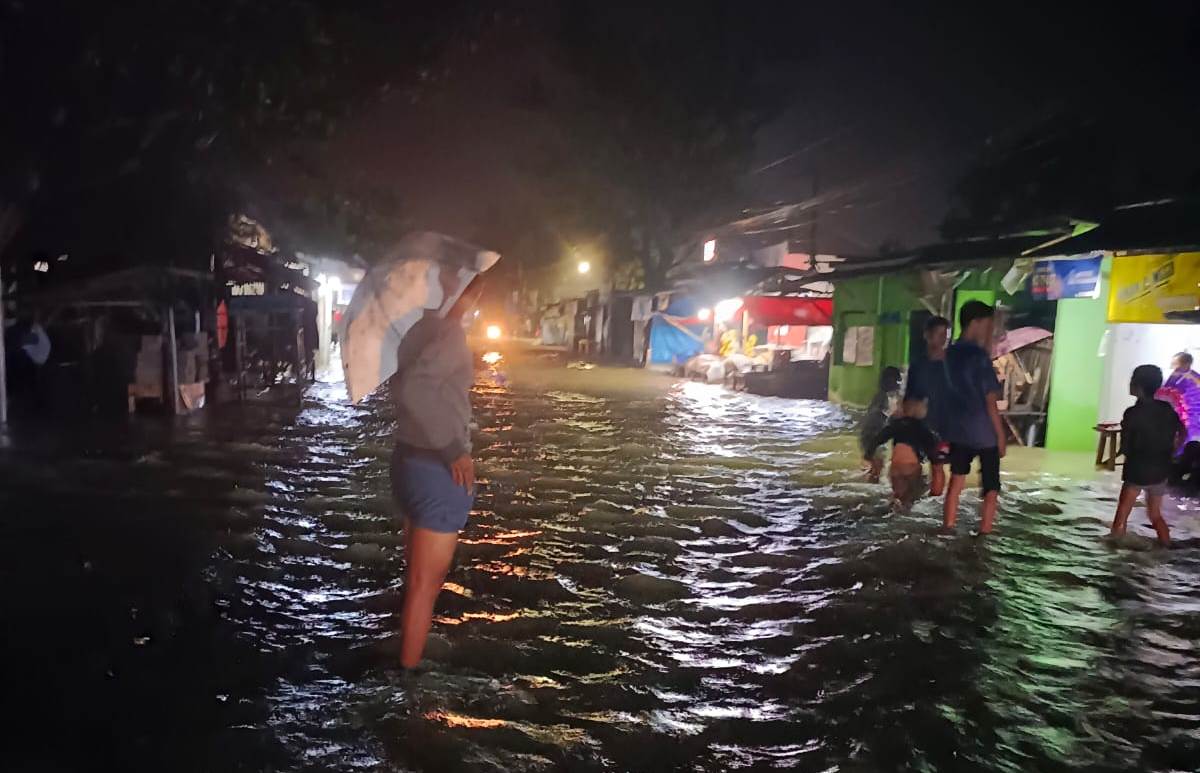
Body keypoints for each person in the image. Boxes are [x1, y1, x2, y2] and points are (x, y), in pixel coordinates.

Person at [390, 273, 484, 670]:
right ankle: (406, 684)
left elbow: (406, 386)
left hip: (409, 460)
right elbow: (413, 388)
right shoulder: (449, 334)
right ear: (470, 291)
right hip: (435, 467)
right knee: (424, 587)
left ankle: (403, 660)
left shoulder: (415, 329)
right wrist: (453, 450)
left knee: (415, 580)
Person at [942, 301, 1005, 533]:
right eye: (988, 325)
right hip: (983, 432)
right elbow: (990, 402)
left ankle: (948, 527)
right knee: (991, 488)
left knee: (956, 481)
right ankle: (985, 532)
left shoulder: (949, 354)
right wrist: (1000, 436)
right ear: (976, 323)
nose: (990, 331)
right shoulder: (979, 357)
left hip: (958, 431)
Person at [1110, 364, 1184, 546]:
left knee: (1121, 516)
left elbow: (1126, 447)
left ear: (1138, 385)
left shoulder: (1132, 413)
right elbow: (1182, 431)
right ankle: (1166, 548)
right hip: (1161, 470)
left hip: (1138, 470)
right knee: (1155, 515)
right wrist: (1173, 450)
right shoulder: (1167, 409)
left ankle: (1112, 556)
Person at [864, 397, 942, 512]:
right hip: (911, 467)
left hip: (895, 467)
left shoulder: (896, 424)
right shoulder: (924, 429)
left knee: (897, 495)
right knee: (912, 496)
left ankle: (893, 509)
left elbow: (877, 440)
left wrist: (868, 456)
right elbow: (935, 460)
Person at [904, 315, 951, 495]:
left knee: (937, 466)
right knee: (911, 464)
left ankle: (934, 502)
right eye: (938, 335)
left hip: (941, 424)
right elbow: (909, 394)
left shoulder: (950, 365)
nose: (942, 340)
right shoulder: (917, 364)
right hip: (918, 423)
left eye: (945, 335)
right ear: (927, 335)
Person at [860, 366, 902, 482]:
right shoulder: (886, 397)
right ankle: (870, 488)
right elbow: (884, 415)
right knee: (878, 469)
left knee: (876, 467)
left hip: (869, 434)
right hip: (874, 435)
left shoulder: (880, 395)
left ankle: (868, 481)